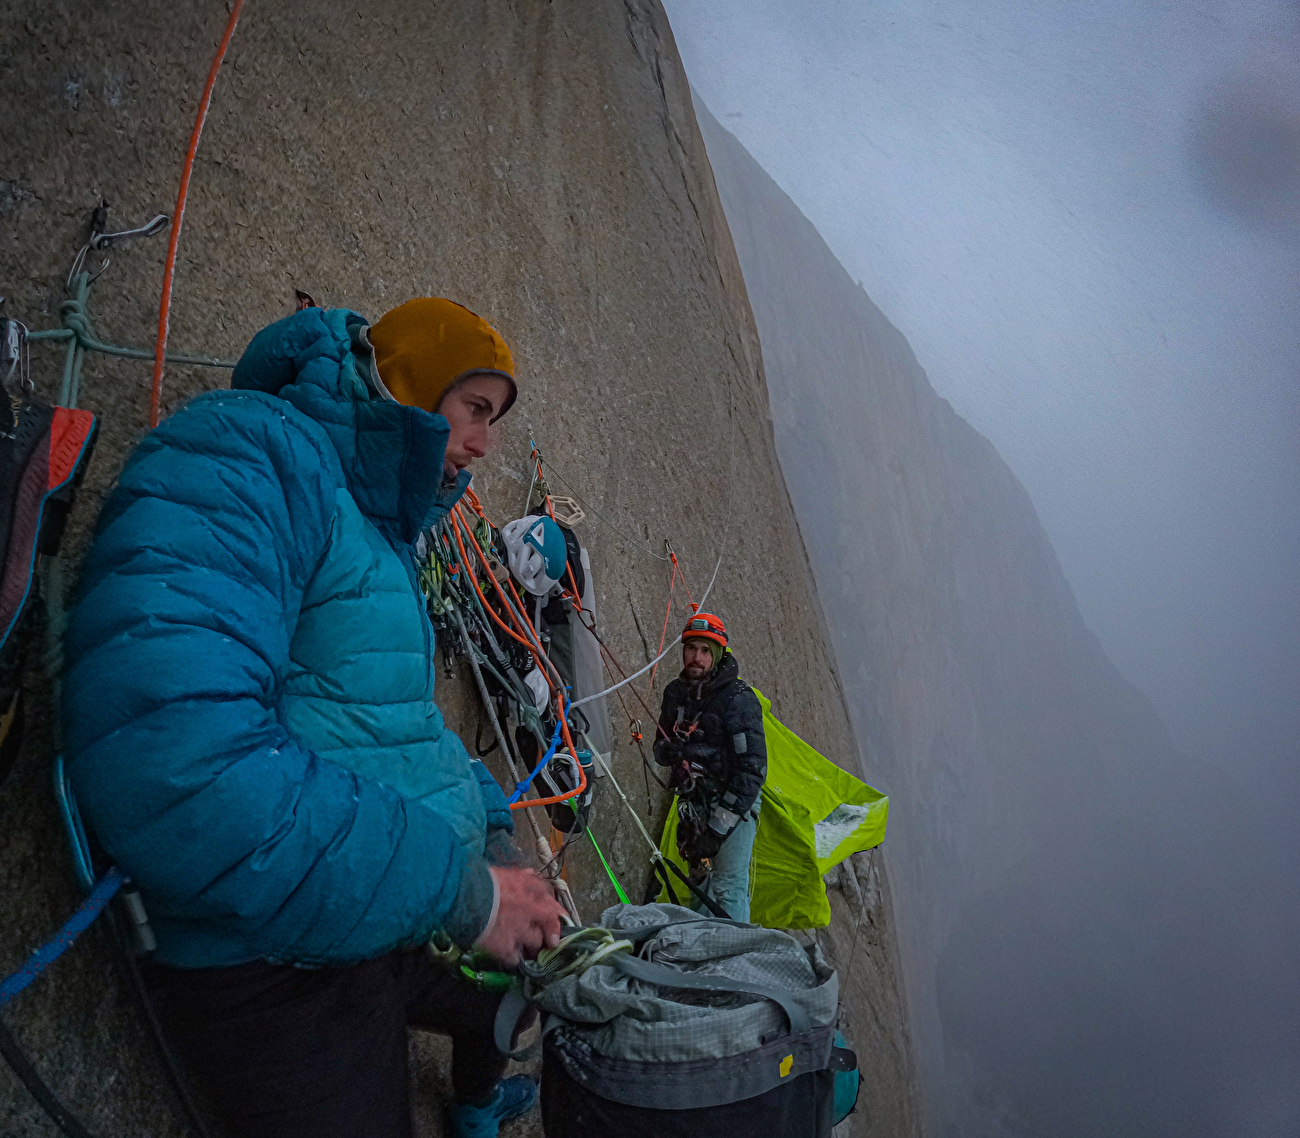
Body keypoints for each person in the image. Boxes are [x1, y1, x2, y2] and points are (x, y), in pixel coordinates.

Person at [62, 297, 566, 1138]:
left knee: (526, 987)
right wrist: (464, 891)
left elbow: (396, 725)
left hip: (373, 895)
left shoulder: (381, 535)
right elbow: (178, 757)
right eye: (475, 410)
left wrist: (492, 838)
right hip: (263, 953)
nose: (484, 447)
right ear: (409, 383)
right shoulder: (251, 456)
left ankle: (475, 1112)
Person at [653, 613, 767, 922]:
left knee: (728, 888)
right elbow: (660, 751)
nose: (697, 657)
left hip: (734, 802)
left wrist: (717, 831)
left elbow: (753, 770)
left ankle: (731, 960)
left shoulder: (739, 699)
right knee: (700, 885)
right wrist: (670, 750)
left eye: (705, 650)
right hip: (694, 803)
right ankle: (701, 952)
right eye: (691, 648)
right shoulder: (675, 693)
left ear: (716, 655)